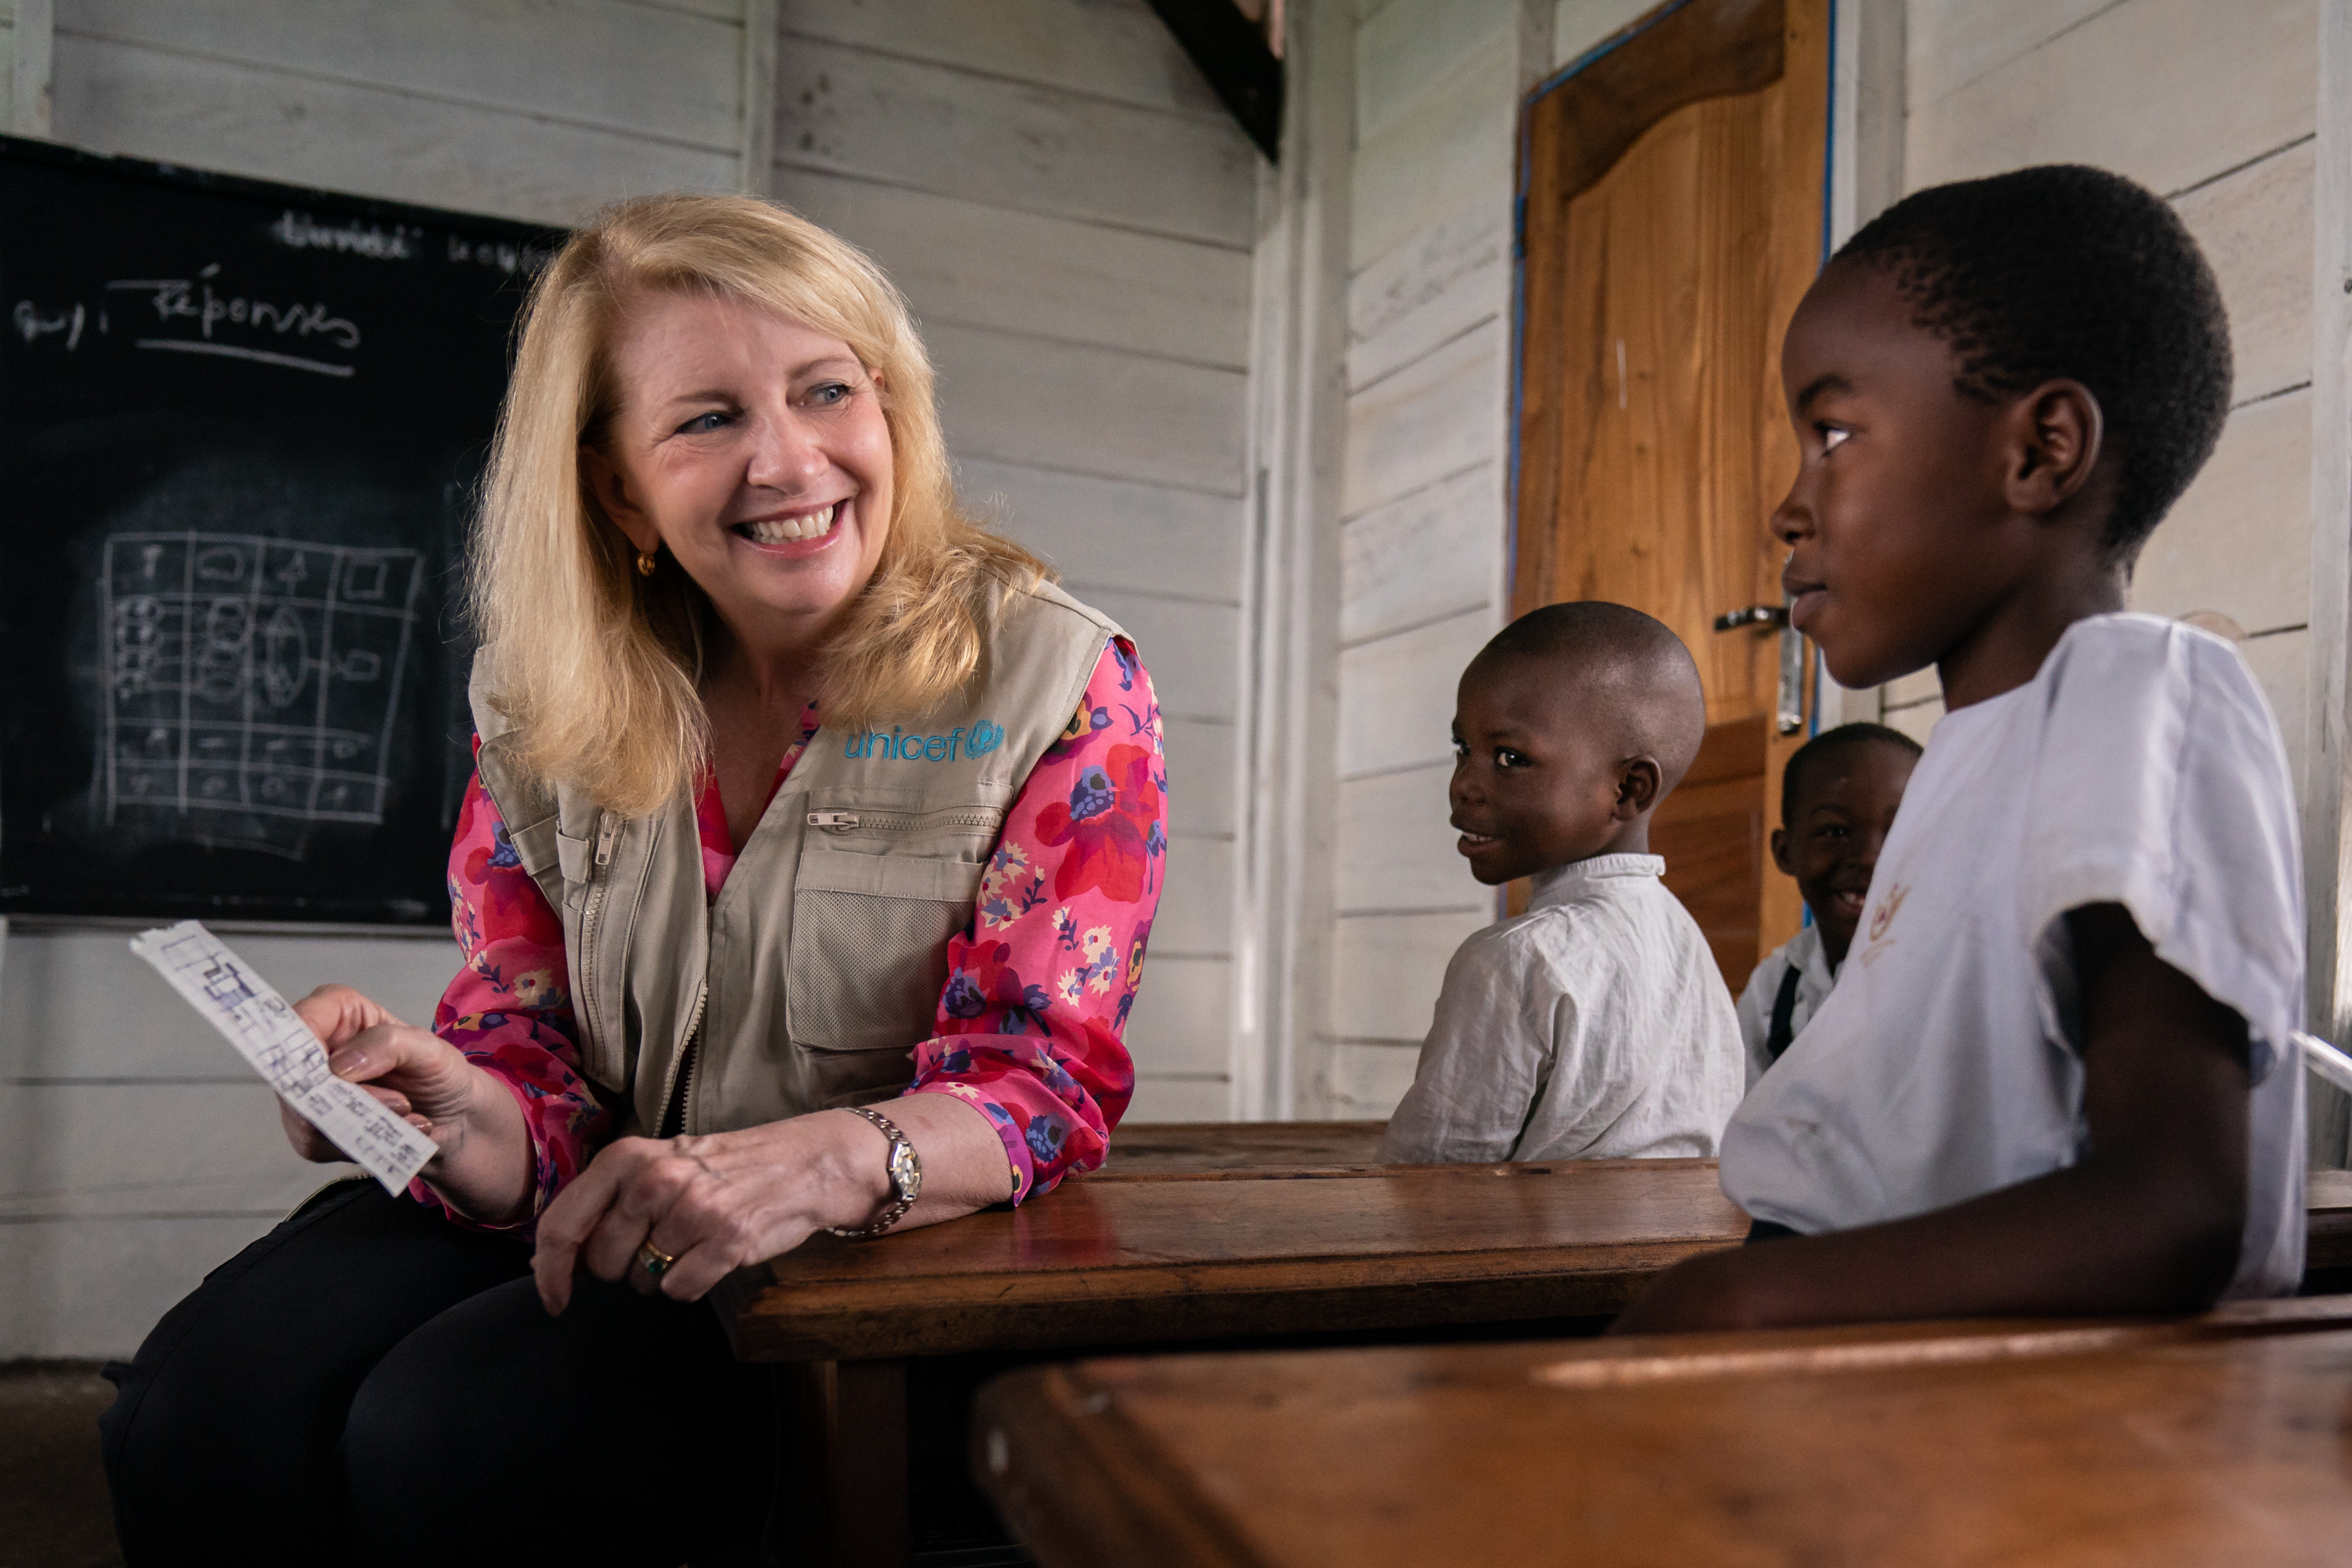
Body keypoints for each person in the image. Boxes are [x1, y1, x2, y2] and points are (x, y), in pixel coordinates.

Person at [100, 193, 1167, 1566]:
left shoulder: (1062, 680)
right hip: (589, 1204)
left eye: (826, 390)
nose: (789, 462)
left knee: (449, 1432)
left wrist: (831, 1157)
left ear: (891, 407)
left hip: (860, 1237)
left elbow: (1040, 1085)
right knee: (192, 1411)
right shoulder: (539, 700)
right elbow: (526, 1065)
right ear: (618, 486)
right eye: (707, 417)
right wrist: (447, 1100)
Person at [1614, 164, 2304, 1335]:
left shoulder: (2132, 692)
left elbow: (2174, 1207)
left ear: (2038, 452)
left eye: (1830, 433)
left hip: (2006, 1429)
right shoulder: (1967, 759)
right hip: (1885, 1381)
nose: (1788, 508)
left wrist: (1737, 1301)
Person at [1376, 602, 1744, 1164]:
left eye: (1509, 758)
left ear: (1628, 789)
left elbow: (1431, 1183)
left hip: (1544, 1253)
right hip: (1690, 1248)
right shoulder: (1687, 946)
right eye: (1463, 750)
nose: (1465, 785)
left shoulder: (1516, 961)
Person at [1734, 723, 1920, 1083]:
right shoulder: (1776, 991)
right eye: (1835, 832)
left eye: (1900, 831)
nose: (1869, 858)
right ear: (1785, 852)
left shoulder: (1960, 982)